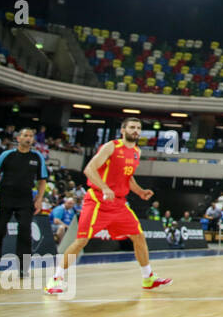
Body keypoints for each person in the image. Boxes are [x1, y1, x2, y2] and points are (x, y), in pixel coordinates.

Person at [45, 118, 169, 294]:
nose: (135, 131)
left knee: (139, 236)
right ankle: (55, 279)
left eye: (139, 128)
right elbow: (89, 169)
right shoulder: (111, 146)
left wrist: (140, 191)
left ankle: (148, 278)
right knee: (81, 241)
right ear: (123, 129)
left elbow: (127, 177)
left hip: (119, 203)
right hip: (98, 201)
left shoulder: (136, 152)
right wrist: (104, 187)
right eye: (132, 127)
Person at [0, 127, 48, 268]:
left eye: (31, 136)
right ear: (18, 138)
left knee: (25, 231)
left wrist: (39, 199)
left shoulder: (37, 157)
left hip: (25, 198)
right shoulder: (6, 155)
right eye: (26, 135)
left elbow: (42, 180)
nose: (29, 138)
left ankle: (23, 268)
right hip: (5, 197)